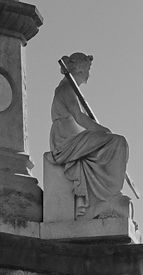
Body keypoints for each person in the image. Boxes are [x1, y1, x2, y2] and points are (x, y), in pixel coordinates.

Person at [50, 53, 129, 219]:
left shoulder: (72, 89)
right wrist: (104, 131)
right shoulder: (67, 88)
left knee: (116, 144)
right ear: (80, 68)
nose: (89, 74)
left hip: (75, 138)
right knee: (117, 142)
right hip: (66, 140)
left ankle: (107, 195)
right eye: (88, 69)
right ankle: (109, 195)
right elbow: (79, 117)